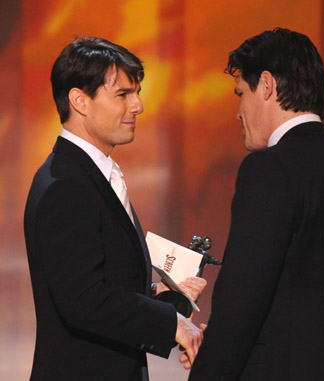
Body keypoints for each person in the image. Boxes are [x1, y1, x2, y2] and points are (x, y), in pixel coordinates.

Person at [187, 27, 324, 380]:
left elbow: (240, 305)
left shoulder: (269, 170)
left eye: (240, 94)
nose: (238, 112)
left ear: (267, 85)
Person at [24, 36, 206, 381]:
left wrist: (160, 297)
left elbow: (101, 285)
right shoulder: (66, 184)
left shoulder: (87, 174)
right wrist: (173, 324)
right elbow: (83, 299)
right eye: (123, 94)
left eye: (136, 92)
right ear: (80, 100)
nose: (138, 105)